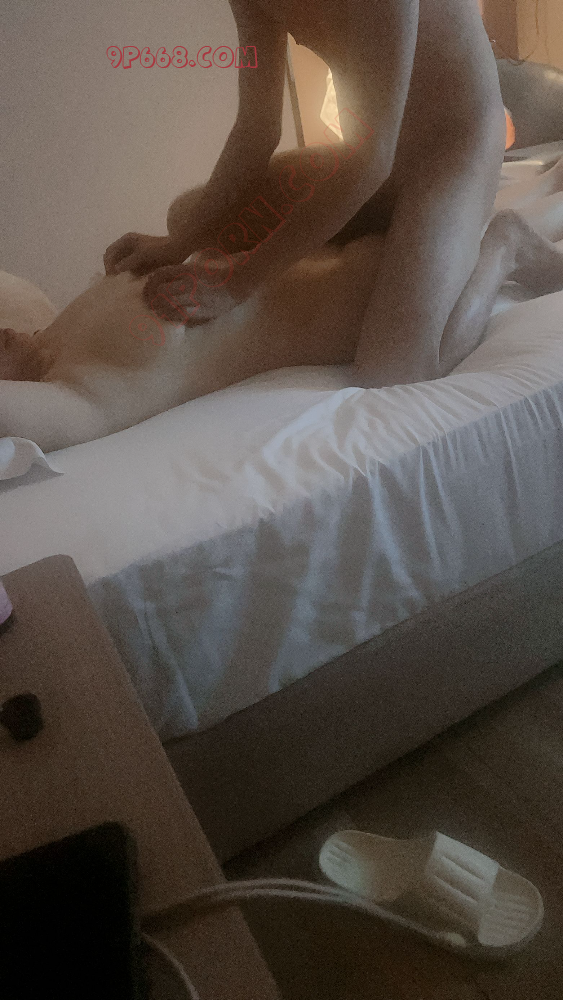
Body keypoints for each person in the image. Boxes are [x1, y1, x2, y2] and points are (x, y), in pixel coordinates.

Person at [103, 0, 509, 389]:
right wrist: (179, 244)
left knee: (394, 366)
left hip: (451, 152)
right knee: (187, 215)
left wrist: (236, 285)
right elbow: (256, 129)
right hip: (371, 158)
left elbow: (372, 159)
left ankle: (506, 247)